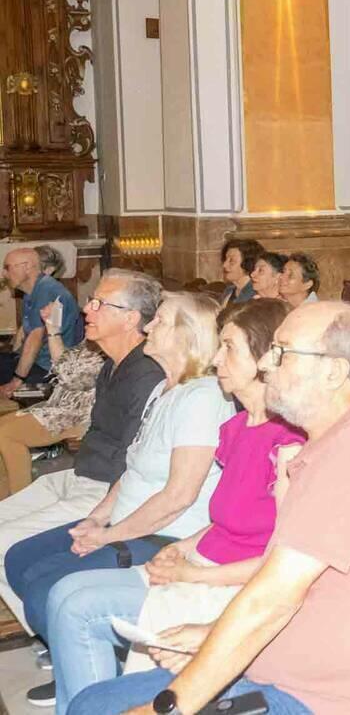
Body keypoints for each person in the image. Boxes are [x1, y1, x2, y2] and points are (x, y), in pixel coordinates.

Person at [69, 302, 350, 715]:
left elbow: (273, 598)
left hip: (333, 700)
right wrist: (213, 635)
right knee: (94, 701)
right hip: (292, 671)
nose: (266, 363)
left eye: (282, 352)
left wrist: (169, 707)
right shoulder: (339, 436)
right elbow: (300, 583)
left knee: (99, 708)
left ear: (333, 372)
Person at [43, 299, 302, 713]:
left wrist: (189, 570)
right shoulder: (236, 427)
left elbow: (283, 563)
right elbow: (223, 521)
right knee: (65, 591)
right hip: (201, 563)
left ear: (263, 358)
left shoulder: (288, 443)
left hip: (233, 584)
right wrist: (180, 550)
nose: (216, 358)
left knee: (77, 608)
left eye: (229, 348)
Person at [10, 292, 232, 708]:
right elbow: (130, 470)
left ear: (186, 335)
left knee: (47, 585)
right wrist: (95, 521)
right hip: (128, 522)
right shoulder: (163, 391)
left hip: (164, 535)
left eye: (160, 322)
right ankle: (74, 647)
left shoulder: (202, 399)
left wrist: (111, 534)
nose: (148, 327)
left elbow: (178, 497)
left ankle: (93, 660)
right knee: (21, 558)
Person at [0, 272, 163, 628]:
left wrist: (106, 515)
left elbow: (136, 457)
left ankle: (52, 632)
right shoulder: (112, 364)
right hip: (80, 474)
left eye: (100, 303)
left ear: (131, 317)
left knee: (4, 543)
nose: (88, 309)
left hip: (103, 489)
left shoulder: (146, 374)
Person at [0, 336, 103, 500]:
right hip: (61, 406)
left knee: (6, 433)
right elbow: (65, 360)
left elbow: (70, 378)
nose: (89, 310)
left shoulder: (109, 346)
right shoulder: (91, 340)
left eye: (96, 308)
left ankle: (20, 499)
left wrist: (53, 332)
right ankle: (5, 496)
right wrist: (52, 329)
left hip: (78, 415)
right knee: (2, 425)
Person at [0, 247, 83, 395]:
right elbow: (25, 335)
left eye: (7, 267)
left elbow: (35, 338)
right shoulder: (32, 290)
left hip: (50, 371)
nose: (3, 273)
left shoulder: (46, 289)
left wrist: (17, 380)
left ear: (26, 267)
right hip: (37, 362)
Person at [218, 239, 265, 308]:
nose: (224, 265)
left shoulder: (257, 293)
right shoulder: (228, 291)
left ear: (248, 263)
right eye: (225, 259)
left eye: (232, 261)